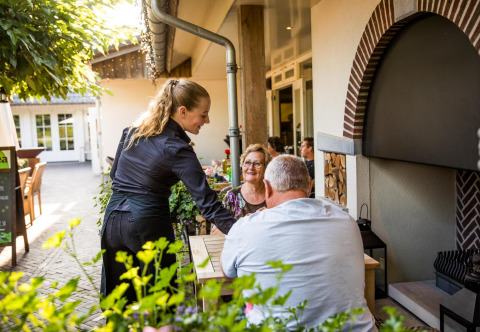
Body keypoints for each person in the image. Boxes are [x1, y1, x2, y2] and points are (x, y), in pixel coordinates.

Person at [101, 79, 236, 303]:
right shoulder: (178, 149)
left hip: (113, 221)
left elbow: (115, 175)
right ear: (183, 111)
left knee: (120, 301)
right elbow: (208, 204)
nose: (207, 120)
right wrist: (242, 230)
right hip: (147, 224)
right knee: (160, 301)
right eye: (203, 115)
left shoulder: (131, 132)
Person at [221, 155, 375, 331]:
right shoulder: (347, 221)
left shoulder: (245, 227)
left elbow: (227, 272)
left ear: (267, 188)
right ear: (310, 186)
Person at [210, 144, 270, 236]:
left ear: (266, 168)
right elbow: (214, 234)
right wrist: (245, 223)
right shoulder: (232, 197)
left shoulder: (274, 195)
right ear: (242, 166)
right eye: (247, 163)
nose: (251, 167)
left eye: (257, 163)